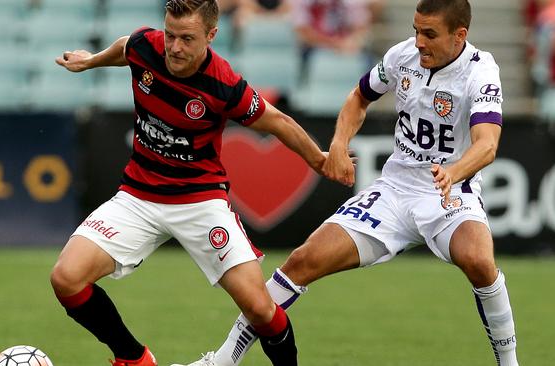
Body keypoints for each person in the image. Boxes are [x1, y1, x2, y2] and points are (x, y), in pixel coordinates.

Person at [171, 1, 520, 365]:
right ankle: (222, 361)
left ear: (459, 35)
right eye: (416, 30)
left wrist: (454, 171)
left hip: (449, 191)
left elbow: (487, 144)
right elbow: (359, 97)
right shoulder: (402, 55)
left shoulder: (480, 72)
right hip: (395, 190)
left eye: (429, 34)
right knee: (302, 261)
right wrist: (338, 144)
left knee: (479, 262)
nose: (418, 41)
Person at [49, 0, 340, 365]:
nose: (174, 47)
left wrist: (320, 160)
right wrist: (90, 60)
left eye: (186, 38)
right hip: (138, 196)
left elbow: (277, 121)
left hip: (200, 201)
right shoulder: (146, 46)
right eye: (170, 35)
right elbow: (125, 47)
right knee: (66, 278)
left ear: (211, 35)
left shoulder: (224, 84)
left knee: (260, 308)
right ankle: (134, 358)